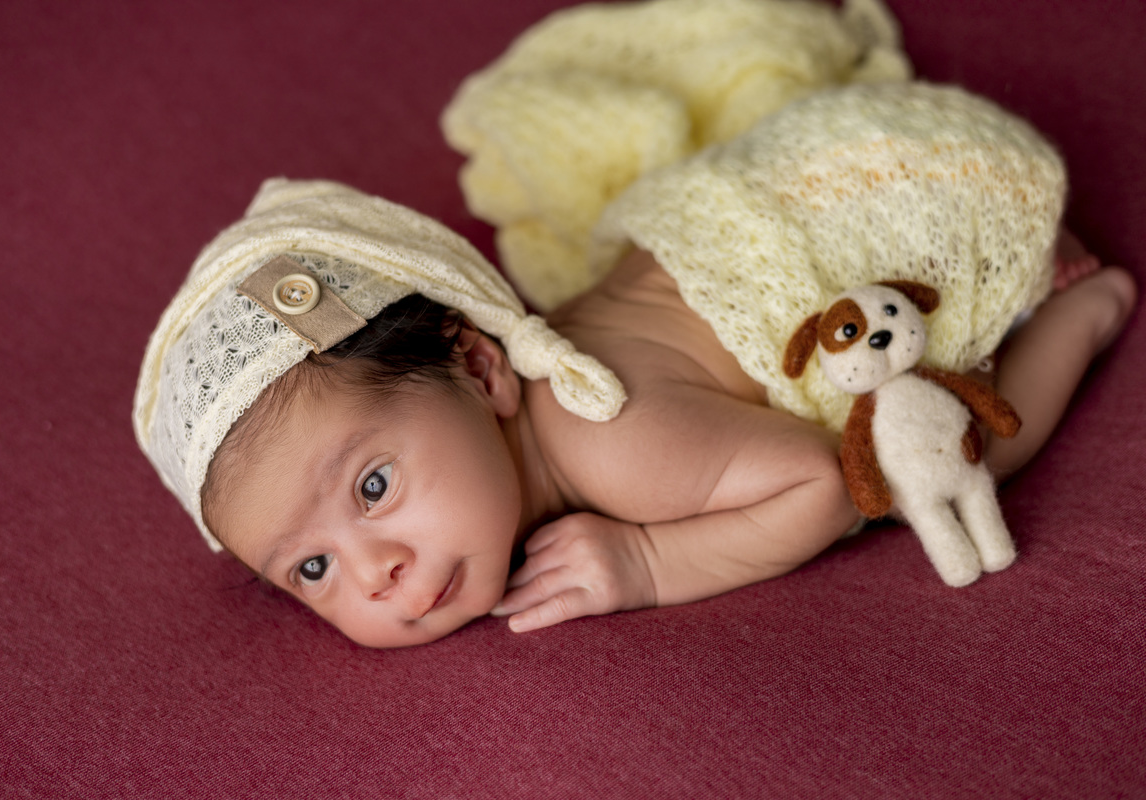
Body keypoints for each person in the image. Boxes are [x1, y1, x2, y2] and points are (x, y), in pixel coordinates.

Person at [133, 85, 1135, 648]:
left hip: (926, 200)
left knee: (934, 460)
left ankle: (1082, 305)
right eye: (310, 568)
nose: (374, 572)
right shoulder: (526, 428)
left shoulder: (604, 437)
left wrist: (648, 563)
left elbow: (817, 484)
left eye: (373, 486)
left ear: (480, 366)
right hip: (822, 160)